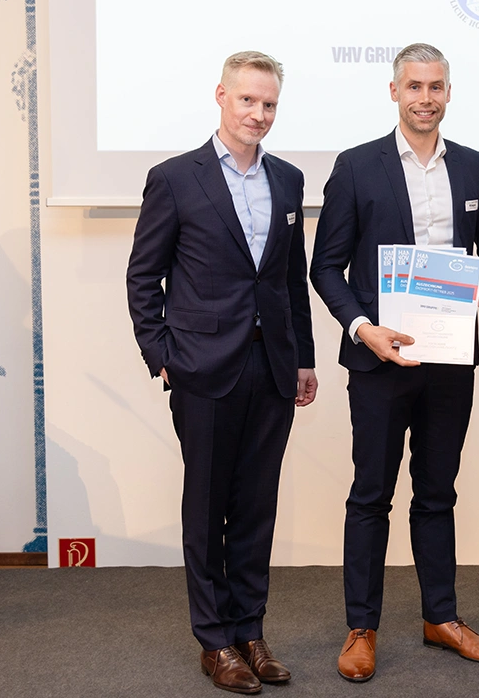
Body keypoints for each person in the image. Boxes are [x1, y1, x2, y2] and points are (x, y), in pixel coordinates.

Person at [310, 42, 479, 682]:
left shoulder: (472, 165)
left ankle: (440, 618)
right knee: (371, 495)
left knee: (437, 493)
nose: (426, 98)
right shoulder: (356, 166)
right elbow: (325, 266)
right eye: (415, 86)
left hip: (450, 360)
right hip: (379, 361)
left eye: (436, 86)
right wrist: (362, 328)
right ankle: (361, 628)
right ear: (394, 91)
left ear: (449, 92)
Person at [126, 51, 318, 695]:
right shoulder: (175, 178)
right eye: (247, 100)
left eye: (269, 104)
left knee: (257, 506)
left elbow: (290, 279)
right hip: (203, 369)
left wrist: (303, 358)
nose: (258, 114)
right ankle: (214, 641)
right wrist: (163, 356)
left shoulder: (287, 179)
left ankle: (250, 631)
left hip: (272, 367)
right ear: (221, 96)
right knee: (208, 508)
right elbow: (143, 276)